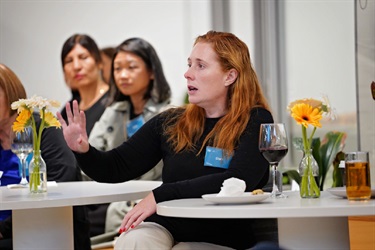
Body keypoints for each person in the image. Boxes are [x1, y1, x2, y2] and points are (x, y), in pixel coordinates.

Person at [57, 31, 274, 249]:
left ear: (230, 76)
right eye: (189, 64)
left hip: (221, 235)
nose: (188, 74)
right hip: (167, 225)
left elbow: (238, 180)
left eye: (200, 66)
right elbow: (115, 166)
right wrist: (83, 150)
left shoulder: (256, 120)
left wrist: (160, 194)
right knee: (133, 241)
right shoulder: (171, 122)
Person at [89, 38, 171, 246]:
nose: (123, 75)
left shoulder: (168, 114)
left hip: (151, 200)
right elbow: (94, 153)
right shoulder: (113, 111)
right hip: (113, 194)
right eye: (117, 69)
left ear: (152, 72)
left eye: (131, 68)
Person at [0, 63, 91, 250]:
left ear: (9, 93)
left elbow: (63, 181)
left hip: (43, 229)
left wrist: (4, 228)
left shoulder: (43, 129)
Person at [60, 34, 109, 136]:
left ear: (99, 62)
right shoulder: (68, 111)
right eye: (69, 61)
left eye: (83, 57)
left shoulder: (114, 101)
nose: (76, 66)